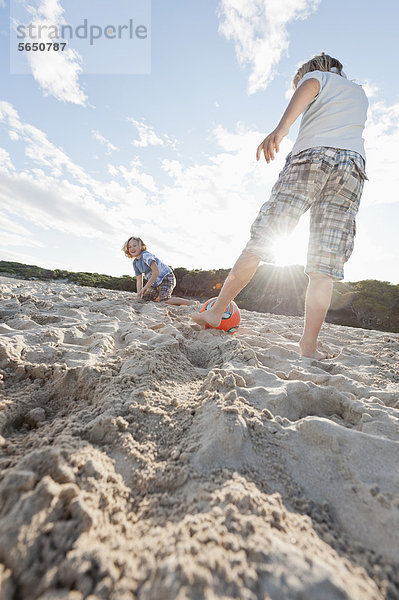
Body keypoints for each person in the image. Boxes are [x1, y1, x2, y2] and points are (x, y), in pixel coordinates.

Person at [191, 53, 368, 360]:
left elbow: (311, 85)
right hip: (352, 168)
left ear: (313, 70)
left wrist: (282, 128)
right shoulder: (359, 93)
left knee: (264, 238)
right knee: (324, 266)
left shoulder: (319, 78)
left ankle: (217, 311)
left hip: (314, 157)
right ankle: (308, 346)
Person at [122, 236, 196, 306]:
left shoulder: (146, 255)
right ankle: (159, 298)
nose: (132, 248)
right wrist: (138, 296)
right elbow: (139, 281)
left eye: (134, 246)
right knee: (144, 299)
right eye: (129, 247)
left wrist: (145, 288)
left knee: (164, 299)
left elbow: (156, 272)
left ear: (141, 247)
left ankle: (190, 302)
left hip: (166, 277)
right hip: (155, 282)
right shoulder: (135, 263)